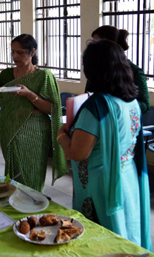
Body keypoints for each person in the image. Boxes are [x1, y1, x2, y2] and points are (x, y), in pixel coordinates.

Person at [57, 39, 152, 250]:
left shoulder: (97, 106)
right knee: (126, 228)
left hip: (101, 183)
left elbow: (77, 153)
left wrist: (62, 135)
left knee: (101, 236)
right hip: (127, 177)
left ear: (92, 70)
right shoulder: (131, 101)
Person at [0, 34, 67, 192]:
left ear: (32, 52)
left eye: (20, 52)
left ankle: (33, 205)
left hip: (34, 132)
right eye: (13, 52)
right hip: (8, 129)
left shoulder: (44, 77)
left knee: (31, 172)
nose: (15, 56)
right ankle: (15, 204)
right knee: (13, 172)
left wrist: (30, 95)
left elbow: (53, 109)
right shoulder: (6, 75)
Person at [85, 25, 150, 114]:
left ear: (110, 46)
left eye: (96, 43)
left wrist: (117, 104)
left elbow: (145, 105)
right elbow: (88, 94)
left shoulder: (135, 72)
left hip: (123, 121)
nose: (92, 48)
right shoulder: (96, 70)